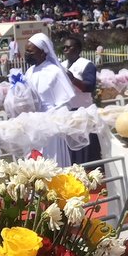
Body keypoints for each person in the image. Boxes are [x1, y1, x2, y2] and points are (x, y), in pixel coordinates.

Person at [24, 33, 75, 165]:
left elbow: (65, 103)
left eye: (30, 51)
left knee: (52, 162)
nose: (27, 54)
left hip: (51, 126)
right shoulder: (29, 72)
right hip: (34, 124)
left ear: (42, 52)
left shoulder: (54, 72)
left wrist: (50, 120)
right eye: (26, 51)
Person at [60, 35, 102, 167]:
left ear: (77, 49)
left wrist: (73, 80)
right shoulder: (61, 66)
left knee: (87, 150)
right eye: (64, 47)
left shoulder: (86, 65)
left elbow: (89, 87)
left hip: (84, 111)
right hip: (68, 112)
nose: (65, 50)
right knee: (71, 150)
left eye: (69, 47)